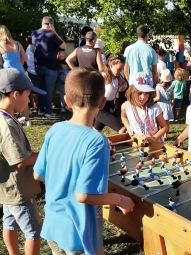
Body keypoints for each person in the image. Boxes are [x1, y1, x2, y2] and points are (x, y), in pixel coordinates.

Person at [33, 68, 135, 255]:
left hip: (53, 225)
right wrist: (120, 199)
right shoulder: (97, 141)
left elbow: (38, 173)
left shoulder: (55, 129)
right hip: (79, 233)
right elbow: (84, 195)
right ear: (103, 103)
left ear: (66, 101)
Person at [0, 68, 47, 255]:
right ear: (15, 94)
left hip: (8, 190)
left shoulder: (6, 117)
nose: (29, 101)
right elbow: (21, 160)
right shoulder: (6, 124)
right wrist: (47, 155)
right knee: (33, 231)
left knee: (9, 222)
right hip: (19, 189)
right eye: (27, 96)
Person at [31, 16, 66, 118]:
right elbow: (63, 46)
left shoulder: (34, 33)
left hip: (38, 65)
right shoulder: (51, 34)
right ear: (50, 24)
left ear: (42, 23)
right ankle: (48, 111)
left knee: (41, 89)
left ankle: (41, 110)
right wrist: (54, 32)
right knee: (49, 90)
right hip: (50, 66)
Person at [121, 72, 168, 142]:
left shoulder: (155, 108)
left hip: (154, 144)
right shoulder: (126, 106)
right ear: (132, 91)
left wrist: (154, 138)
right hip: (136, 142)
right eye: (139, 93)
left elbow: (164, 127)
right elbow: (123, 116)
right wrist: (128, 127)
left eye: (147, 93)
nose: (143, 97)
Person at [0, 25, 31, 125]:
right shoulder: (17, 44)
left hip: (8, 74)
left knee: (9, 97)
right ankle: (27, 119)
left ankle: (11, 117)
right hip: (21, 72)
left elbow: (0, 63)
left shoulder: (0, 45)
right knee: (23, 94)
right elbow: (25, 59)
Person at [94, 54, 127, 134]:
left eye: (122, 69)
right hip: (99, 108)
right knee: (122, 129)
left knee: (97, 131)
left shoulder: (117, 76)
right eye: (118, 69)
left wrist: (123, 86)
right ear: (111, 65)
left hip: (109, 106)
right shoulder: (103, 76)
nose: (120, 72)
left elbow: (125, 84)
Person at [153, 69, 174, 139]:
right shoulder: (171, 87)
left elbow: (158, 98)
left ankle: (161, 135)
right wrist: (171, 105)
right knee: (167, 122)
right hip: (167, 105)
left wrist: (152, 100)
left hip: (160, 105)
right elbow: (172, 99)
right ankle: (166, 135)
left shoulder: (158, 86)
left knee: (160, 121)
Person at [26, 35, 38, 113]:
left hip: (30, 70)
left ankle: (34, 105)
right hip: (35, 70)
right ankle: (36, 105)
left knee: (33, 89)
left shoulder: (27, 49)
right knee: (36, 89)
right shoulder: (34, 48)